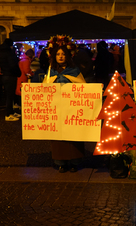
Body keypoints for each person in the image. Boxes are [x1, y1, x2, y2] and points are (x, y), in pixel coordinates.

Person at [44, 36, 86, 173]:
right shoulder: (51, 71)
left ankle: (75, 162)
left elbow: (83, 87)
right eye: (58, 54)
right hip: (56, 110)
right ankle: (60, 162)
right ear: (53, 56)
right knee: (58, 138)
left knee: (73, 136)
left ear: (68, 56)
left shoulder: (75, 71)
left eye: (63, 54)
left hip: (72, 110)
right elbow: (45, 88)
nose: (60, 56)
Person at [0, 38, 22, 121]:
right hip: (10, 76)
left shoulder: (0, 53)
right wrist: (18, 73)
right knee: (10, 96)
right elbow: (13, 65)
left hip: (5, 75)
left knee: (9, 95)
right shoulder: (9, 53)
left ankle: (11, 111)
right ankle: (8, 114)